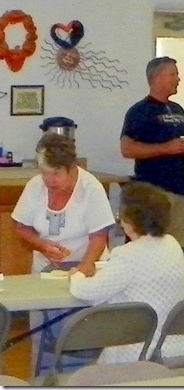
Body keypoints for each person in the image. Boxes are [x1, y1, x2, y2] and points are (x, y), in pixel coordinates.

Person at [12, 132, 115, 374]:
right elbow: (20, 227)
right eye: (44, 173)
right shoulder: (35, 186)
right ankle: (44, 381)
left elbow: (99, 235)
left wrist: (86, 266)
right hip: (46, 272)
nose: (49, 179)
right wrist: (41, 245)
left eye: (55, 173)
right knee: (41, 334)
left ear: (72, 168)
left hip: (86, 270)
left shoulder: (90, 188)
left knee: (85, 337)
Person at [69, 182, 184, 365]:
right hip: (179, 350)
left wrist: (77, 274)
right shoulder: (172, 244)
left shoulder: (127, 254)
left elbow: (87, 293)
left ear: (129, 220)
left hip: (140, 353)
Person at [120, 55, 184, 249]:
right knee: (149, 246)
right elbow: (127, 149)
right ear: (156, 78)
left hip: (180, 191)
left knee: (177, 248)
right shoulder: (139, 111)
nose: (178, 79)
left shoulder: (177, 109)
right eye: (173, 74)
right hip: (153, 193)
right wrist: (165, 148)